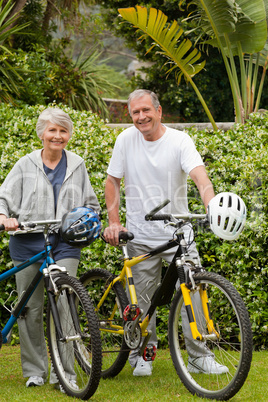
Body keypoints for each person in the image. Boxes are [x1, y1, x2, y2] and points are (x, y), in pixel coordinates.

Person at [104, 89, 228, 377]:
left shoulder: (179, 141)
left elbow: (200, 176)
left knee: (193, 289)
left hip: (178, 233)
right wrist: (114, 222)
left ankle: (199, 356)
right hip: (140, 234)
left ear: (159, 111)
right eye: (135, 112)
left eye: (146, 110)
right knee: (144, 300)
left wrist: (210, 206)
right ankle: (141, 356)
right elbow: (112, 182)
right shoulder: (125, 140)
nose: (141, 116)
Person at [0, 108, 100, 389]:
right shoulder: (24, 164)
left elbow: (91, 204)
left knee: (65, 303)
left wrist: (87, 219)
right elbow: (3, 199)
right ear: (42, 133)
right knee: (29, 309)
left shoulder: (77, 164)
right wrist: (4, 218)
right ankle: (35, 371)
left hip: (64, 243)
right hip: (27, 241)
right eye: (52, 130)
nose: (58, 136)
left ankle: (63, 373)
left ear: (69, 135)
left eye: (63, 131)